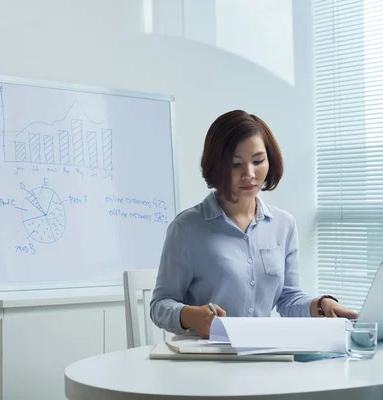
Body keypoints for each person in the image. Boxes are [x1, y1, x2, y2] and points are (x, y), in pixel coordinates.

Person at [150, 110, 357, 338]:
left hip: (262, 354)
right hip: (205, 357)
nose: (249, 174)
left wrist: (321, 305)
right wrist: (191, 315)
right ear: (216, 165)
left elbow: (288, 299)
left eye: (258, 161)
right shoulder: (187, 228)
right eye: (235, 164)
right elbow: (160, 305)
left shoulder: (283, 225)